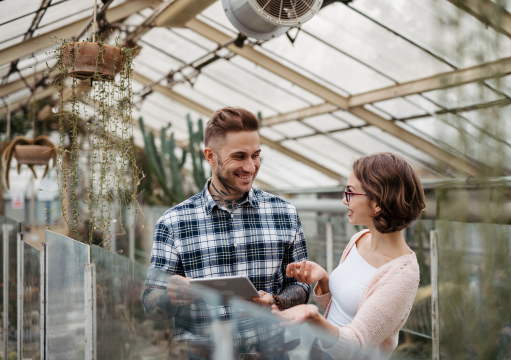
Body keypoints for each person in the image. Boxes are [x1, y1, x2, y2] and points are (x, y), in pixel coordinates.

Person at [143, 107, 310, 359]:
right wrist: (171, 296)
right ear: (210, 156)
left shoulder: (284, 213)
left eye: (256, 155)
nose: (250, 166)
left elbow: (302, 285)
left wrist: (276, 300)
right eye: (239, 156)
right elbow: (150, 304)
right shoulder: (174, 222)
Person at [272, 152, 425, 360]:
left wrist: (312, 317)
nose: (345, 201)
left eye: (351, 193)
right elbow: (342, 311)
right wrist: (324, 280)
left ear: (377, 203)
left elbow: (356, 344)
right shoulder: (359, 239)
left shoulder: (402, 275)